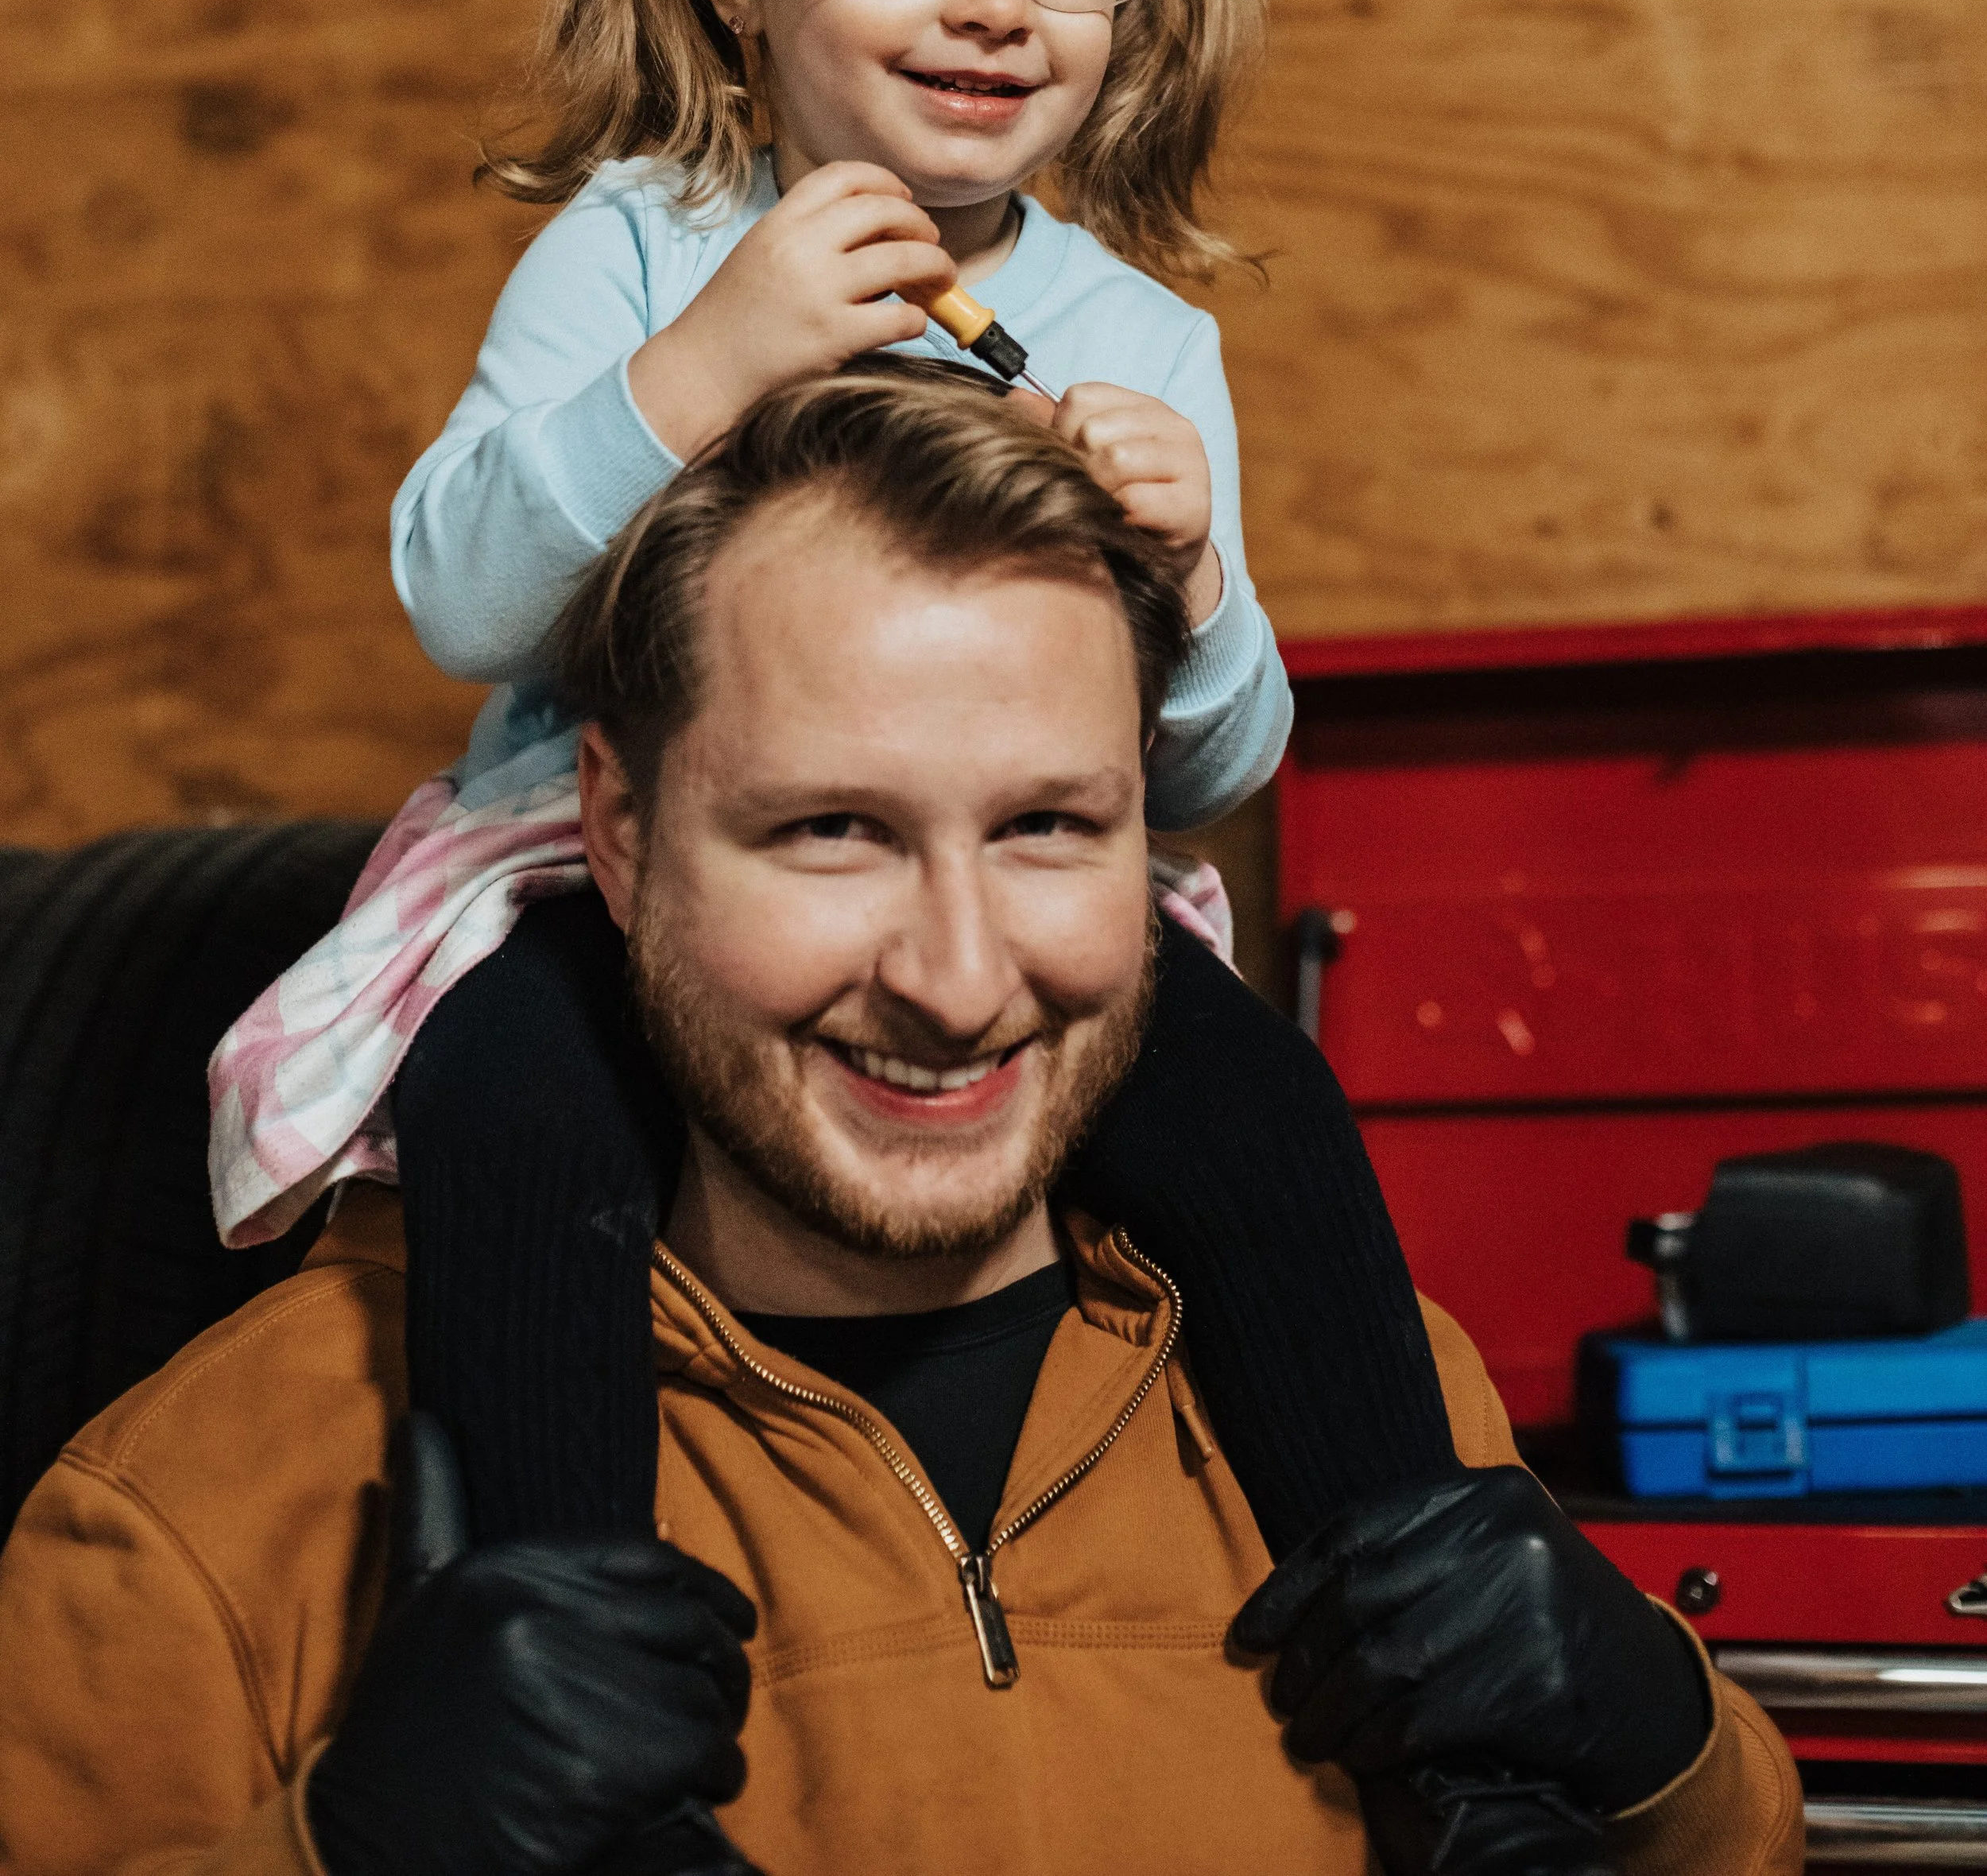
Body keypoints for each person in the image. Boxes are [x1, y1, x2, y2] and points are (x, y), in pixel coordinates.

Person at [0, 369, 1803, 1876]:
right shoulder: (198, 1518)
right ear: (614, 837)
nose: (956, 982)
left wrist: (1662, 1747)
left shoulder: (1385, 1399)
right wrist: (339, 1853)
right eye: (830, 833)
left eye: (1045, 830)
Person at [200, 0, 1455, 1577]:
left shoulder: (1143, 336)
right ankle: (557, 1638)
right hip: (598, 873)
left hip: (1009, 864)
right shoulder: (647, 246)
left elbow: (1209, 764)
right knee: (509, 1109)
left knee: (1261, 1106)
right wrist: (702, 364)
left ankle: (1432, 1613)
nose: (992, 3)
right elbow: (457, 594)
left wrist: (1197, 579)